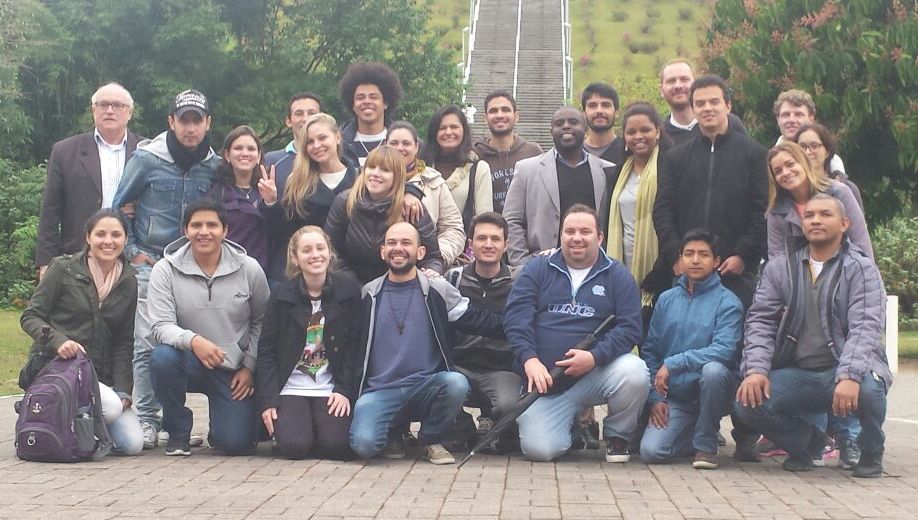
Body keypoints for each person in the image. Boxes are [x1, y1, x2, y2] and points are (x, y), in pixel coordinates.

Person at [735, 194, 891, 478]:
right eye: (809, 216)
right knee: (747, 401)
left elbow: (866, 326)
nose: (816, 220)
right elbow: (760, 321)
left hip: (845, 370)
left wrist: (850, 376)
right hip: (801, 373)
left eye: (825, 214)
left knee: (869, 389)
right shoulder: (780, 267)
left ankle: (870, 450)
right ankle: (807, 444)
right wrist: (756, 369)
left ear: (844, 224)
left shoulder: (862, 268)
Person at [112, 89, 220, 449]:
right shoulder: (146, 159)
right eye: (183, 120)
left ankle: (183, 420)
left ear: (207, 124)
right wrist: (131, 251)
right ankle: (147, 418)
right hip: (152, 261)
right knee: (147, 340)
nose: (190, 128)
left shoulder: (214, 165)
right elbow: (119, 206)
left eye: (197, 121)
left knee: (192, 341)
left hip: (195, 264)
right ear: (171, 122)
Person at [347, 221, 504, 464]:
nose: (398, 248)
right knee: (364, 445)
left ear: (420, 252)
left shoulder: (436, 289)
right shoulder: (368, 294)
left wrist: (524, 328)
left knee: (456, 383)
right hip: (380, 390)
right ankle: (394, 433)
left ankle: (430, 440)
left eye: (406, 243)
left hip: (426, 387)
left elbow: (476, 319)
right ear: (383, 251)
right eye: (392, 243)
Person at [504, 204, 646, 462]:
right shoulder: (537, 268)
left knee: (634, 372)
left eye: (585, 231)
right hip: (547, 383)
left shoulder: (618, 276)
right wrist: (529, 359)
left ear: (599, 237)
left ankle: (618, 437)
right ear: (560, 235)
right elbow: (516, 318)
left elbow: (630, 328)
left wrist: (594, 357)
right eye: (570, 231)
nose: (577, 238)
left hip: (596, 375)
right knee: (541, 450)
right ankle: (571, 427)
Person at [147, 199, 270, 456]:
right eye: (196, 225)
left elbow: (262, 320)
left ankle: (221, 429)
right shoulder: (164, 269)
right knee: (162, 358)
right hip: (188, 360)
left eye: (212, 225)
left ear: (225, 230)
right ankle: (177, 431)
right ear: (185, 231)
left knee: (236, 444)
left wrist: (249, 366)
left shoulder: (249, 269)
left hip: (233, 368)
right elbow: (160, 325)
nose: (204, 232)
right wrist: (193, 341)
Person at [21, 209, 143, 455]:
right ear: (88, 237)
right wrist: (58, 341)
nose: (108, 241)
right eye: (100, 234)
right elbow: (30, 316)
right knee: (109, 409)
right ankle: (46, 411)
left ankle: (59, 420)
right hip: (59, 369)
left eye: (116, 235)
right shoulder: (63, 268)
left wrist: (123, 390)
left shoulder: (129, 279)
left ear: (126, 239)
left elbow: (123, 341)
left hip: (98, 376)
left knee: (131, 444)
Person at [653, 75, 768, 310]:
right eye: (700, 103)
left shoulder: (754, 154)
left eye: (714, 101)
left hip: (734, 272)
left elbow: (762, 210)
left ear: (728, 105)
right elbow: (663, 211)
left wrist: (743, 255)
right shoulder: (676, 157)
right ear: (693, 109)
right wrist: (676, 255)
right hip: (686, 272)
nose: (707, 108)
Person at [639, 230, 743, 469]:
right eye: (689, 254)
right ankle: (692, 431)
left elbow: (724, 350)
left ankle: (706, 444)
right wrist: (656, 398)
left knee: (713, 371)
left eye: (703, 254)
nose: (695, 260)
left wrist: (674, 363)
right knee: (651, 451)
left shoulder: (728, 302)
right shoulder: (666, 299)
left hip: (715, 390)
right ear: (680, 259)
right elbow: (650, 350)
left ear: (716, 261)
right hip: (677, 397)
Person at [255, 226, 359, 460]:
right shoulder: (281, 295)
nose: (315, 255)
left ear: (329, 252)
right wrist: (269, 401)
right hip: (291, 386)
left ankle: (316, 429)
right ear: (295, 258)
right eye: (307, 250)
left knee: (336, 446)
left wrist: (344, 390)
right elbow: (266, 351)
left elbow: (355, 346)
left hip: (329, 386)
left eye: (320, 248)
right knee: (296, 446)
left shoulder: (348, 291)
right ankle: (298, 430)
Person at [35, 83, 143, 277]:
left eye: (117, 105)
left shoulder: (147, 151)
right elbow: (50, 211)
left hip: (132, 260)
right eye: (103, 104)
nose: (109, 110)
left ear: (129, 112)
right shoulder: (65, 151)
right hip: (78, 256)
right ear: (93, 110)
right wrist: (45, 262)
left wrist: (139, 207)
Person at [446, 212, 522, 451]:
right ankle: (462, 427)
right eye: (481, 238)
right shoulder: (453, 279)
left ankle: (496, 423)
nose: (488, 244)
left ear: (506, 244)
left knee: (509, 405)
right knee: (437, 386)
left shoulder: (519, 282)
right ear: (471, 244)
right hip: (460, 367)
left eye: (495, 239)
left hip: (502, 369)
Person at [504, 106, 615, 267]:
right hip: (542, 266)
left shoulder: (606, 170)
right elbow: (511, 219)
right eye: (559, 123)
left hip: (594, 266)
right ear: (551, 132)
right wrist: (522, 263)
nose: (566, 126)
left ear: (585, 129)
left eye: (573, 122)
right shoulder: (526, 170)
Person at [261, 113, 358, 288]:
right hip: (306, 278)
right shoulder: (298, 182)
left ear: (337, 137)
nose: (317, 146)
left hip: (351, 277)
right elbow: (284, 232)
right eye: (310, 142)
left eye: (322, 138)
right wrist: (271, 202)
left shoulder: (360, 179)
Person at [325, 146, 444, 283]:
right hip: (353, 285)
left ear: (397, 176)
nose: (375, 173)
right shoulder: (345, 202)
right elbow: (333, 253)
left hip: (401, 284)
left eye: (385, 170)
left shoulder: (411, 207)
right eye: (371, 167)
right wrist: (353, 285)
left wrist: (431, 273)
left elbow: (432, 258)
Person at [605, 102, 673, 305]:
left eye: (645, 130)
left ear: (658, 132)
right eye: (631, 132)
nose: (638, 136)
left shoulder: (670, 167)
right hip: (622, 261)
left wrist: (663, 266)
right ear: (624, 137)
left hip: (660, 266)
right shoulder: (618, 173)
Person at [766, 141, 872, 260]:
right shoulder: (776, 211)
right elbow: (776, 259)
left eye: (790, 164)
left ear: (804, 162)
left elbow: (861, 243)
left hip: (845, 269)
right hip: (798, 272)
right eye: (778, 171)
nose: (785, 173)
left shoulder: (839, 193)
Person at [387, 121, 466, 266]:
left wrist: (436, 258)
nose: (400, 148)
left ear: (416, 147)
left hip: (426, 266)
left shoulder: (434, 181)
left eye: (406, 143)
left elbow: (453, 228)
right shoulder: (372, 180)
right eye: (394, 143)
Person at [422, 105, 493, 235]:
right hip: (423, 243)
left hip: (463, 243)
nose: (448, 132)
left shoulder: (479, 168)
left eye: (454, 127)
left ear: (464, 130)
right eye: (442, 128)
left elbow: (485, 218)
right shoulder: (421, 167)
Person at [206, 125, 268, 269]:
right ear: (227, 155)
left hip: (263, 272)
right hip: (226, 269)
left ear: (258, 156)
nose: (245, 153)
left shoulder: (268, 189)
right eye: (238, 148)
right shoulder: (217, 193)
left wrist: (271, 202)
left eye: (251, 149)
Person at [472, 90, 543, 213]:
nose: (499, 115)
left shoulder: (533, 152)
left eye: (505, 110)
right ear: (485, 118)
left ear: (516, 116)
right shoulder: (475, 154)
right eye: (493, 111)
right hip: (486, 223)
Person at [657, 60, 747, 146]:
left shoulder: (729, 123)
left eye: (684, 79)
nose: (678, 86)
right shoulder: (659, 135)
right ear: (661, 90)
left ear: (695, 84)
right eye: (671, 81)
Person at [263, 92, 323, 208]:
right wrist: (270, 202)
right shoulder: (272, 161)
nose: (305, 119)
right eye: (299, 114)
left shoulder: (332, 159)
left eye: (312, 113)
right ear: (288, 121)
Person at [338, 62, 402, 167]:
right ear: (353, 105)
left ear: (385, 103)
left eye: (373, 97)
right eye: (360, 97)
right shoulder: (339, 144)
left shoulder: (403, 142)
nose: (367, 101)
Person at [772, 89, 846, 173]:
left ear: (811, 118)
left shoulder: (832, 162)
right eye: (786, 115)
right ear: (778, 119)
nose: (791, 120)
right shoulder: (768, 160)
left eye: (798, 114)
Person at [794, 122, 863, 210]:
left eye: (814, 146)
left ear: (827, 152)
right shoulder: (790, 189)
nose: (807, 152)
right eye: (802, 146)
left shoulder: (848, 188)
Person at [581, 82, 624, 167]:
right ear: (583, 113)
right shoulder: (574, 154)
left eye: (606, 105)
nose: (599, 111)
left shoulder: (628, 153)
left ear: (616, 112)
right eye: (592, 105)